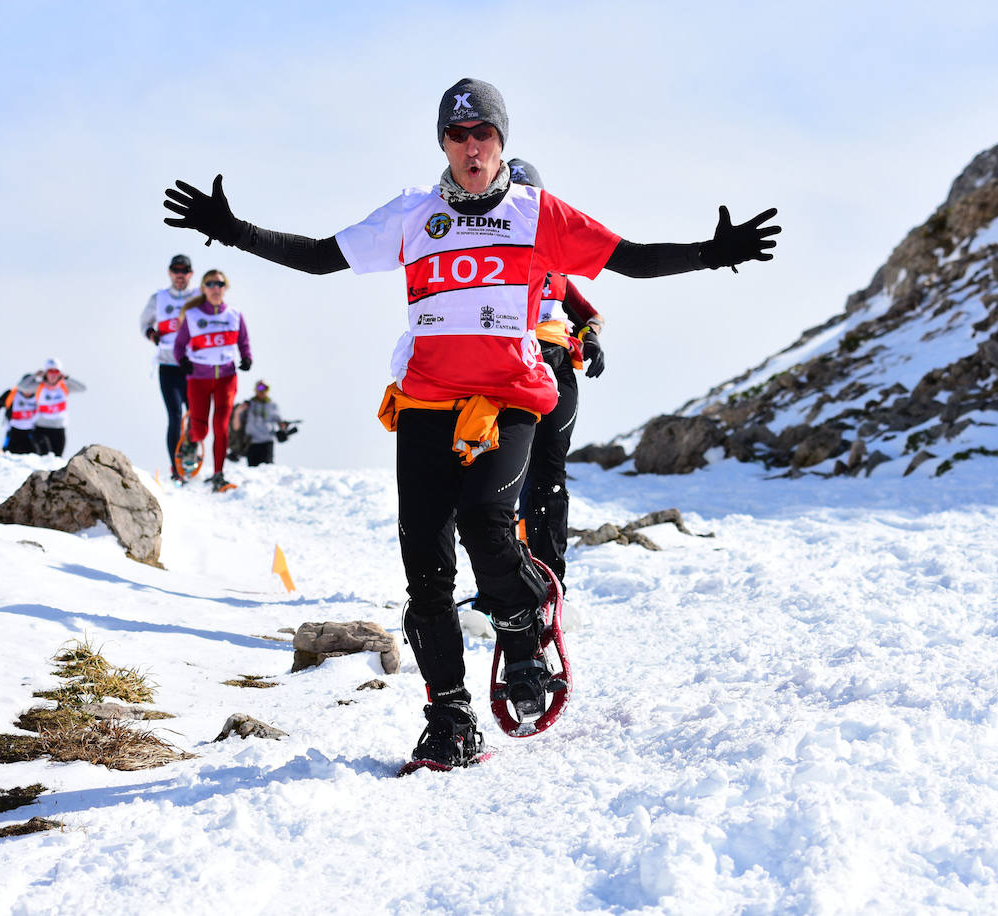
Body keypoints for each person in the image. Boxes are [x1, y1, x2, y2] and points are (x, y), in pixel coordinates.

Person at [163, 77, 779, 766]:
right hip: (425, 406)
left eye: (483, 133)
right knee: (425, 569)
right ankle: (449, 716)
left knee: (488, 525)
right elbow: (318, 257)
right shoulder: (412, 214)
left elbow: (627, 261)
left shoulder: (536, 213)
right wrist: (233, 232)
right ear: (444, 144)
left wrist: (710, 251)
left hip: (509, 398)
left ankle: (523, 629)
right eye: (457, 135)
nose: (471, 146)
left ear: (501, 141)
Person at [506, 158, 604, 597]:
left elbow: (591, 314)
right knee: (501, 477)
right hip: (507, 370)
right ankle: (501, 580)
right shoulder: (489, 254)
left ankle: (550, 583)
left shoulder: (556, 268)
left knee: (549, 477)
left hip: (557, 368)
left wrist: (593, 338)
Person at [172, 269, 252, 491]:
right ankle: (190, 439)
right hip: (199, 378)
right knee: (201, 431)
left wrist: (246, 357)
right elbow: (179, 346)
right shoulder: (194, 316)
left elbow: (243, 341)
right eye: (210, 284)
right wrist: (183, 361)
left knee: (221, 426)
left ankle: (218, 474)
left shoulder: (235, 315)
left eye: (219, 284)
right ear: (204, 288)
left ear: (225, 287)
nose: (215, 288)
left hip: (226, 378)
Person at [140, 254, 197, 480]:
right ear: (170, 272)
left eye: (184, 271)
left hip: (194, 366)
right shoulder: (159, 298)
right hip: (168, 364)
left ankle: (190, 459)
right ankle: (176, 468)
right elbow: (144, 322)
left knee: (194, 416)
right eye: (176, 270)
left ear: (190, 273)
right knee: (174, 416)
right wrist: (151, 334)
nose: (180, 275)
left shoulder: (199, 295)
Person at [32, 358, 87, 457]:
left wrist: (67, 378)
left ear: (60, 373)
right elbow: (22, 386)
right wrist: (35, 375)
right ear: (46, 373)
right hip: (41, 428)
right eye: (50, 371)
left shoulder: (64, 386)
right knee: (44, 457)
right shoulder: (39, 386)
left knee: (57, 459)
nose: (53, 374)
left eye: (56, 371)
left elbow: (83, 388)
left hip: (59, 429)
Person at [235, 379, 295, 467]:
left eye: (265, 388)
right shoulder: (248, 405)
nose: (262, 390)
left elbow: (279, 422)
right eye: (259, 387)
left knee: (267, 469)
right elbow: (237, 426)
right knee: (252, 470)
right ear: (255, 389)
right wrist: (237, 412)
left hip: (267, 442)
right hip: (251, 443)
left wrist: (284, 427)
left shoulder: (272, 405)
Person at [0, 371, 44, 454]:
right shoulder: (11, 394)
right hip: (13, 433)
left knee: (36, 458)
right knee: (7, 456)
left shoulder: (40, 396)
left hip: (31, 435)